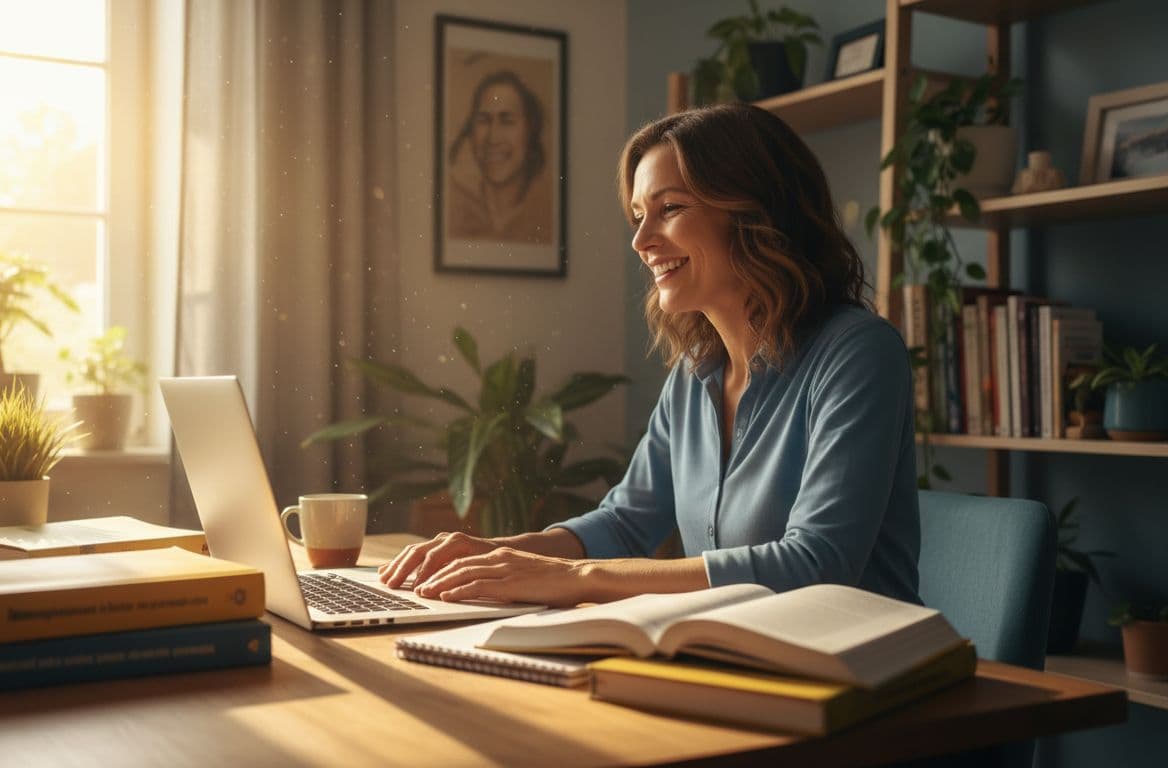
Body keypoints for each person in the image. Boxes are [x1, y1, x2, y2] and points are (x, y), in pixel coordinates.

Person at [383, 103, 919, 608]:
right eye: (638, 215)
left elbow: (815, 563)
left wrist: (574, 577)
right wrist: (502, 554)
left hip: (871, 678)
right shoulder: (694, 374)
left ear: (757, 214)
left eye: (670, 209)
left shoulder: (858, 353)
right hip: (742, 661)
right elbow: (624, 523)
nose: (641, 240)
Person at [446, 69, 552, 244]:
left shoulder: (545, 211)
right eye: (484, 120)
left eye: (507, 121)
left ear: (530, 130)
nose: (493, 138)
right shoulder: (454, 205)